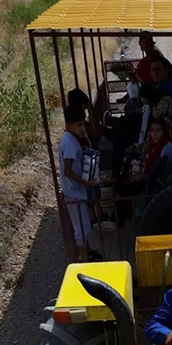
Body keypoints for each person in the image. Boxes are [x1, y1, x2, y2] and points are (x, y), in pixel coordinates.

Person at [59, 105, 102, 262]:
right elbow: (68, 171)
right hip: (74, 192)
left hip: (77, 191)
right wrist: (84, 182)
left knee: (84, 225)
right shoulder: (69, 143)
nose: (83, 128)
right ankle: (84, 260)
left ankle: (88, 253)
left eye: (84, 124)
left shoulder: (72, 139)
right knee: (81, 229)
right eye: (79, 125)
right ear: (69, 125)